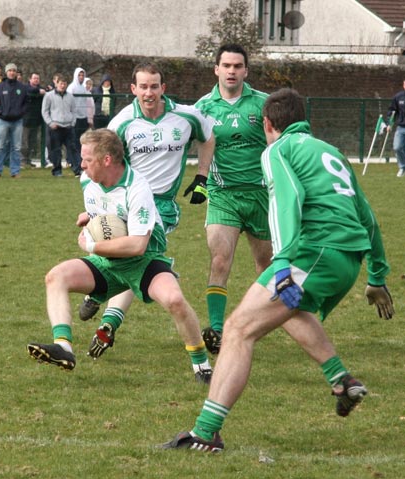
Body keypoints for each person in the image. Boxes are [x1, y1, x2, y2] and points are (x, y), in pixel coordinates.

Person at [162, 88, 394, 452]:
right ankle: (341, 379)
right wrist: (377, 276)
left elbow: (287, 202)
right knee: (288, 310)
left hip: (314, 253)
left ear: (267, 123)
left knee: (239, 329)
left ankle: (205, 434)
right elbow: (368, 218)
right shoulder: (331, 151)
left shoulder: (277, 150)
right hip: (345, 260)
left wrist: (282, 261)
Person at [27, 128, 213, 384]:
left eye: (87, 160)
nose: (81, 165)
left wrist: (92, 246)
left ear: (106, 160)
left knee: (175, 300)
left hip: (144, 261)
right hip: (108, 264)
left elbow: (137, 245)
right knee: (56, 277)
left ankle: (201, 364)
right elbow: (107, 215)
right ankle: (64, 348)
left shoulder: (137, 188)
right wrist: (90, 218)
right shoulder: (87, 181)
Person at [78, 62, 215, 363]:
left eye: (154, 86)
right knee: (132, 258)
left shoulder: (185, 116)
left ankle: (104, 308)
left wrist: (202, 176)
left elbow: (208, 136)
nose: (149, 92)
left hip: (162, 206)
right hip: (125, 199)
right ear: (133, 89)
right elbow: (98, 160)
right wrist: (93, 203)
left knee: (136, 256)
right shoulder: (123, 122)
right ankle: (101, 298)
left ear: (163, 88)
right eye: (143, 86)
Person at [194, 43, 272, 355]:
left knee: (265, 265)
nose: (231, 71)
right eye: (226, 65)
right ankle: (215, 329)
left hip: (261, 196)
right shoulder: (203, 107)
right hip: (222, 195)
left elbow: (279, 145)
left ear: (246, 71)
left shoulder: (264, 104)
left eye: (237, 66)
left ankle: (255, 322)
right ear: (216, 69)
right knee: (220, 260)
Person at [0, 63, 28, 179]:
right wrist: (0, 113)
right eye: (10, 70)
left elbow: (26, 103)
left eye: (14, 70)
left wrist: (21, 113)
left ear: (16, 72)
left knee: (16, 147)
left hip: (17, 121)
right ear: (6, 72)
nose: (12, 72)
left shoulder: (22, 87)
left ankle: (15, 171)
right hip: (3, 121)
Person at [41, 75, 78, 177]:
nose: (63, 85)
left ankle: (77, 171)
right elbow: (45, 111)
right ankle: (57, 171)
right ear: (56, 83)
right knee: (55, 150)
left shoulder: (70, 97)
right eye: (61, 83)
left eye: (65, 83)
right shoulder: (49, 96)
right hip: (55, 127)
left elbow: (74, 111)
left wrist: (72, 123)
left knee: (72, 149)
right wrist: (50, 123)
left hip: (68, 127)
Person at [67, 67, 91, 176]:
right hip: (74, 118)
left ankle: (82, 162)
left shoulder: (84, 88)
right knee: (74, 142)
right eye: (79, 75)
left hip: (83, 117)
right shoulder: (71, 88)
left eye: (83, 75)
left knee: (82, 141)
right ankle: (73, 162)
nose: (81, 77)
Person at [21, 72, 45, 168]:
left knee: (32, 142)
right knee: (24, 142)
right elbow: (31, 91)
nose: (36, 80)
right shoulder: (26, 88)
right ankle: (22, 160)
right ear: (30, 79)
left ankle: (28, 160)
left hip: (36, 120)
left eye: (37, 78)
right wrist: (39, 91)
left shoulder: (40, 88)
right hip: (26, 120)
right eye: (34, 78)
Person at [386, 79, 405, 177]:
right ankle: (402, 167)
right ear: (403, 84)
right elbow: (392, 111)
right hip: (401, 127)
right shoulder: (398, 97)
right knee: (397, 147)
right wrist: (389, 124)